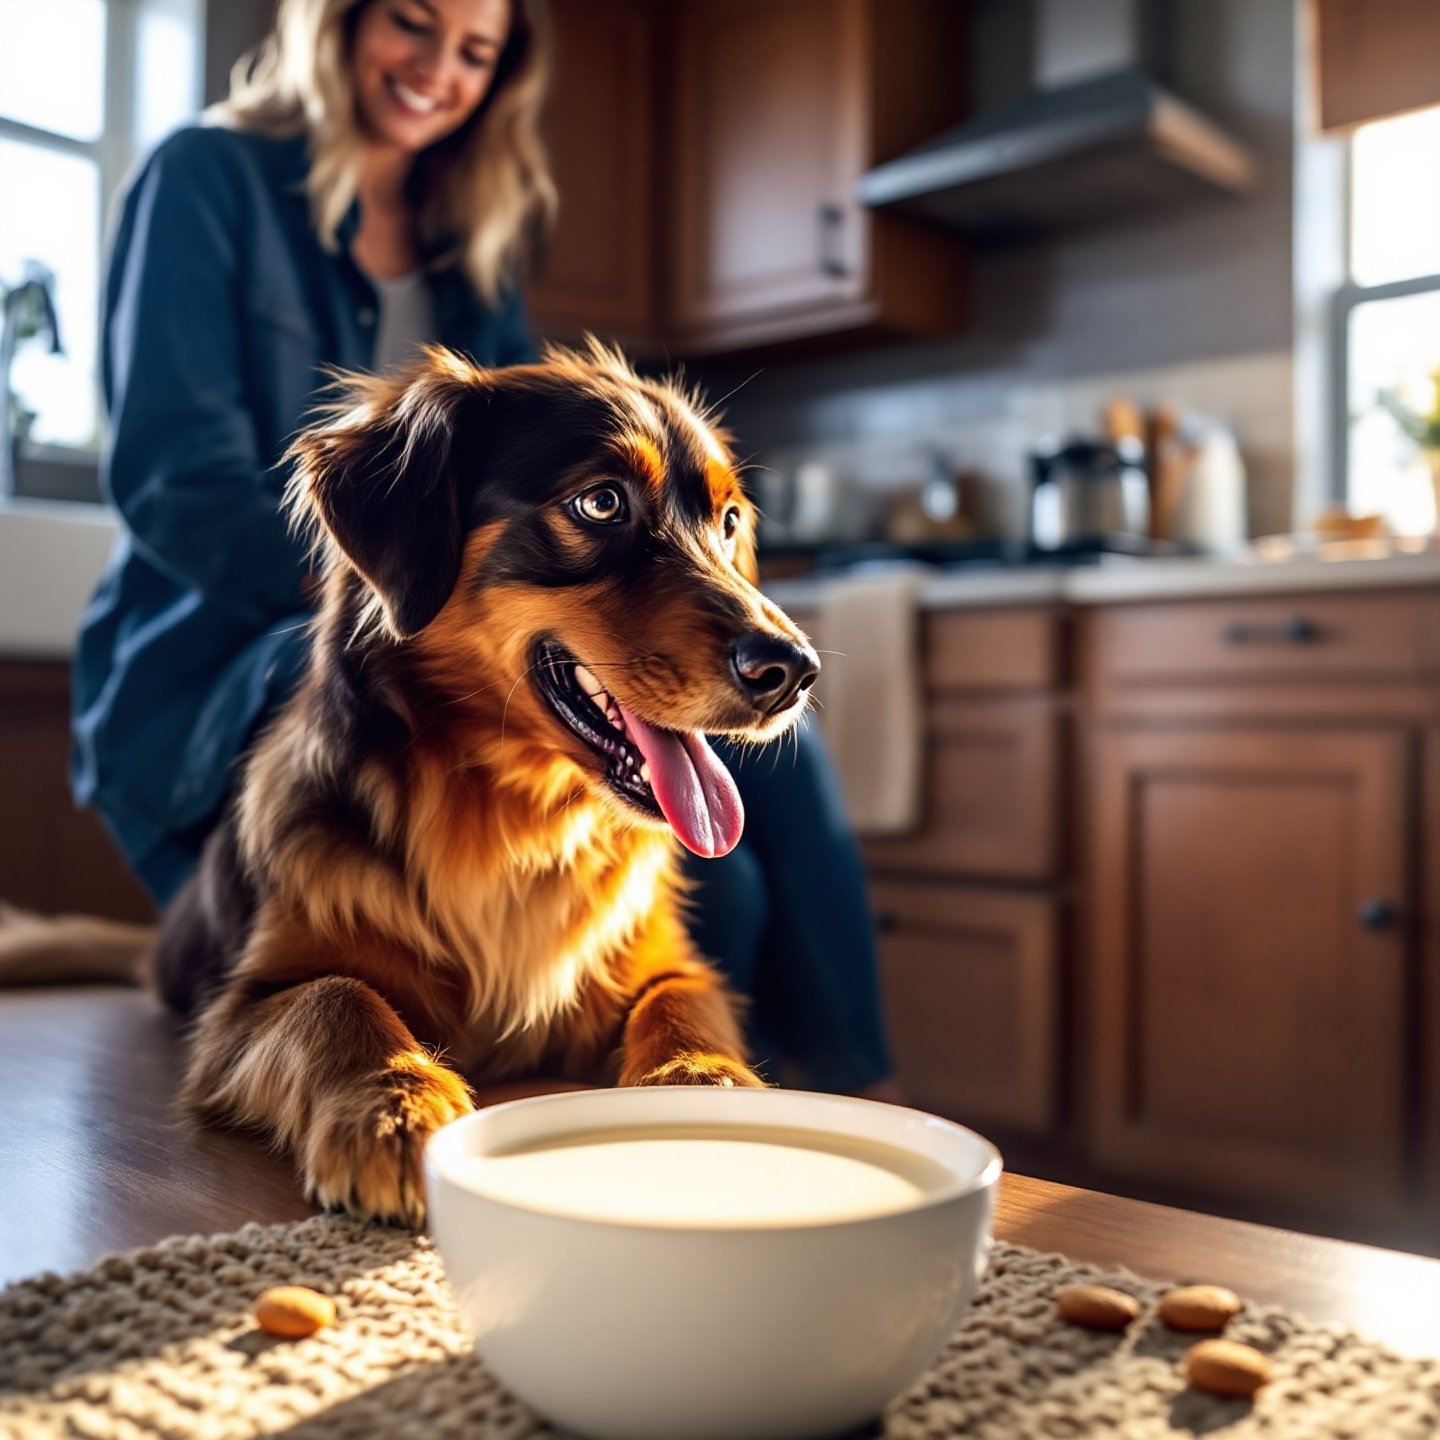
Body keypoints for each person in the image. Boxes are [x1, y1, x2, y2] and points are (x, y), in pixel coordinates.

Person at [72, 0, 899, 1098]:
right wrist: (397, 571)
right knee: (353, 650)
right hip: (213, 659)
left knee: (740, 869)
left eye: (476, 51)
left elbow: (537, 439)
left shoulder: (475, 239)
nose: (438, 71)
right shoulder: (205, 176)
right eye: (412, 26)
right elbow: (172, 478)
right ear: (336, 22)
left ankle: (833, 1113)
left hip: (451, 615)